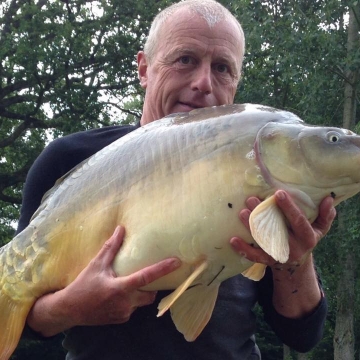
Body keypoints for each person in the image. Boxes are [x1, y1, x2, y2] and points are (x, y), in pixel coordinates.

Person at [17, 0, 336, 359]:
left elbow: (302, 334)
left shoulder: (260, 164)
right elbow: (18, 306)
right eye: (185, 59)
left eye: (222, 68)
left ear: (236, 82)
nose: (203, 83)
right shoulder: (68, 160)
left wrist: (295, 260)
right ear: (144, 68)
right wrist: (69, 308)